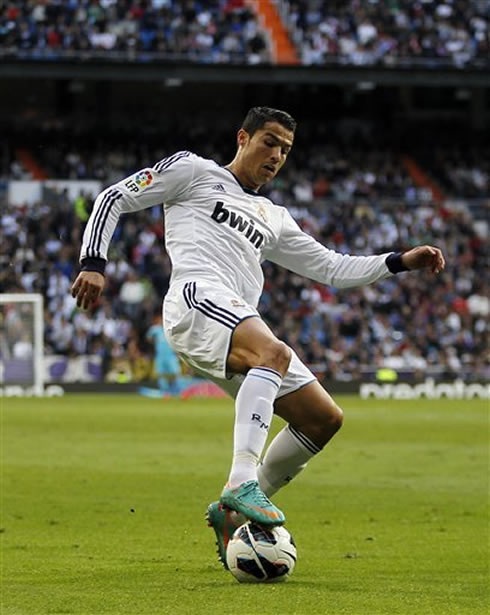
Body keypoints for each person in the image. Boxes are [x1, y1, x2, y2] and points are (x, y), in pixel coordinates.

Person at [71, 106, 445, 568]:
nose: (277, 155)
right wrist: (93, 262)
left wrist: (398, 261)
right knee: (275, 352)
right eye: (269, 141)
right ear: (242, 137)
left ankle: (232, 511)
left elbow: (331, 267)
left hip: (236, 317)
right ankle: (240, 481)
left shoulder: (273, 215)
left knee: (323, 418)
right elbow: (113, 198)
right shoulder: (194, 171)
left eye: (285, 149)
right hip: (195, 297)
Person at [145, 314, 181, 395]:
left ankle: (176, 389)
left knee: (175, 372)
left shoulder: (170, 328)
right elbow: (148, 337)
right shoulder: (155, 329)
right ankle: (164, 390)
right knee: (161, 373)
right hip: (160, 355)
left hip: (170, 354)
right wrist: (154, 341)